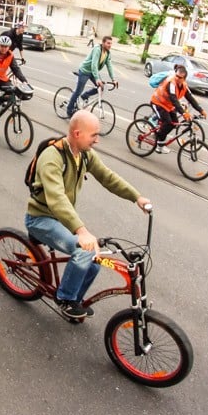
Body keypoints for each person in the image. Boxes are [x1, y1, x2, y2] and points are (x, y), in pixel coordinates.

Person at [25, 110, 151, 319]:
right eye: (93, 135)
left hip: (61, 219)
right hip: (41, 219)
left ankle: (74, 299)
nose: (97, 140)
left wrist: (136, 197)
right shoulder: (52, 157)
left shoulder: (84, 154)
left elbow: (107, 177)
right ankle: (65, 299)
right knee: (85, 251)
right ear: (77, 134)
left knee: (94, 258)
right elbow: (56, 198)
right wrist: (81, 231)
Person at [149, 63, 206, 154]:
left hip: (168, 106)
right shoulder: (171, 83)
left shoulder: (184, 86)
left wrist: (201, 110)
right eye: (177, 76)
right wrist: (184, 113)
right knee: (167, 122)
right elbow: (174, 99)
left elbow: (191, 99)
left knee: (174, 123)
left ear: (184, 79)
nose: (177, 78)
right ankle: (159, 143)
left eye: (180, 78)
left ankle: (159, 135)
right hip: (157, 103)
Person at [66, 35, 117, 116]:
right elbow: (94, 64)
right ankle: (69, 110)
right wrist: (97, 78)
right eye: (108, 43)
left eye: (111, 43)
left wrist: (113, 79)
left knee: (101, 87)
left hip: (93, 72)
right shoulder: (97, 49)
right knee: (78, 92)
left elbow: (109, 66)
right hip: (85, 71)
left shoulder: (107, 53)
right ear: (103, 43)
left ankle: (85, 95)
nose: (110, 45)